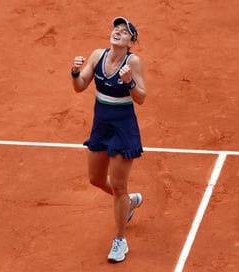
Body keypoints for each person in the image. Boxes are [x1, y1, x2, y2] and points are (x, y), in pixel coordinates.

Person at [71, 17, 147, 263]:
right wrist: (74, 72)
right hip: (101, 128)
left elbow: (141, 97)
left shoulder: (132, 62)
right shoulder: (97, 56)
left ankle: (120, 241)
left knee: (118, 186)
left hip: (123, 130)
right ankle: (130, 202)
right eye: (116, 28)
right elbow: (80, 85)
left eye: (124, 32)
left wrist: (129, 82)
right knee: (95, 179)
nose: (118, 32)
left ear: (130, 42)